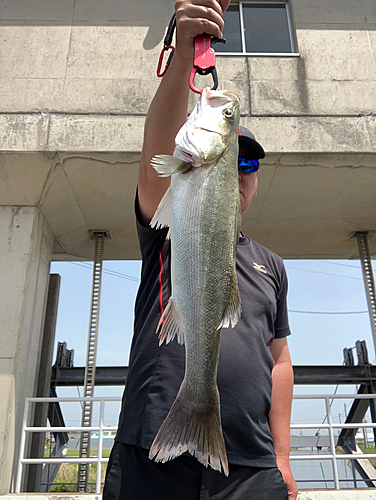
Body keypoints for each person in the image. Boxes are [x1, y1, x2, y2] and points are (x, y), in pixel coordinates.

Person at [103, 1, 298, 499]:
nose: (237, 170)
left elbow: (280, 362)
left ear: (254, 186)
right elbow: (155, 159)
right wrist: (187, 53)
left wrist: (281, 456)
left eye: (248, 165)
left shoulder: (271, 266)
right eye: (234, 153)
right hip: (152, 453)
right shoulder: (169, 221)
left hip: (251, 467)